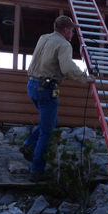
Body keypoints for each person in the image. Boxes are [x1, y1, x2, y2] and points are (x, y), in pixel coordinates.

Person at [20, 15, 93, 181]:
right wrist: (85, 78)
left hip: (32, 85)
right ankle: (37, 171)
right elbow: (67, 67)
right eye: (72, 30)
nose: (73, 33)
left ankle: (28, 145)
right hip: (46, 89)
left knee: (50, 121)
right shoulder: (64, 44)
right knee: (47, 131)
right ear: (66, 30)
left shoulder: (43, 38)